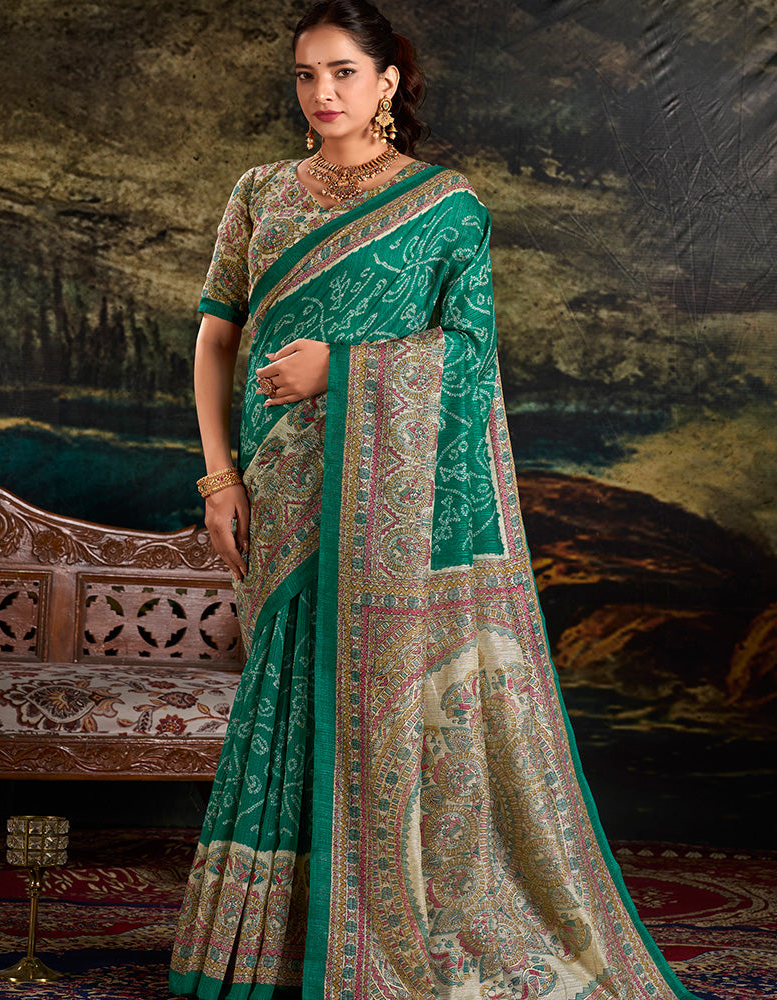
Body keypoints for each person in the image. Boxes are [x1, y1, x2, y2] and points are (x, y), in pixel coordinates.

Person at [169, 2, 701, 998]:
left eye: (342, 72)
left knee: (371, 702)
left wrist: (340, 368)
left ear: (386, 82)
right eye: (304, 75)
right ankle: (270, 951)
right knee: (282, 693)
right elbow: (216, 338)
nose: (321, 93)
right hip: (277, 490)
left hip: (388, 508)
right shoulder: (258, 193)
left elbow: (468, 358)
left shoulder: (444, 207)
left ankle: (371, 929)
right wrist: (219, 477)